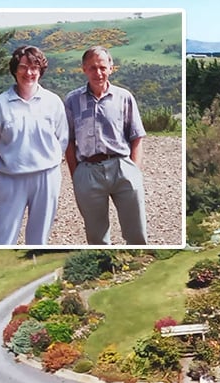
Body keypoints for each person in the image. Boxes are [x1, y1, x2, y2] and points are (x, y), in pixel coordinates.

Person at [0, 45, 68, 245]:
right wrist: (9, 165)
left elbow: (62, 138)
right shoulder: (1, 104)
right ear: (14, 70)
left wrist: (48, 162)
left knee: (39, 241)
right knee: (1, 240)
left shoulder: (53, 102)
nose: (28, 73)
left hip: (47, 177)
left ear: (40, 71)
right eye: (22, 67)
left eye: (34, 68)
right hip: (11, 180)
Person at [64, 46, 148, 245]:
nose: (98, 72)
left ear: (111, 68)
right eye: (92, 68)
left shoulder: (124, 97)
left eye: (102, 67)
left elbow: (137, 136)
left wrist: (134, 171)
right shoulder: (72, 100)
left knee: (137, 234)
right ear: (84, 69)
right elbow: (68, 140)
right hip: (88, 171)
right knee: (96, 238)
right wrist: (77, 174)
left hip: (121, 167)